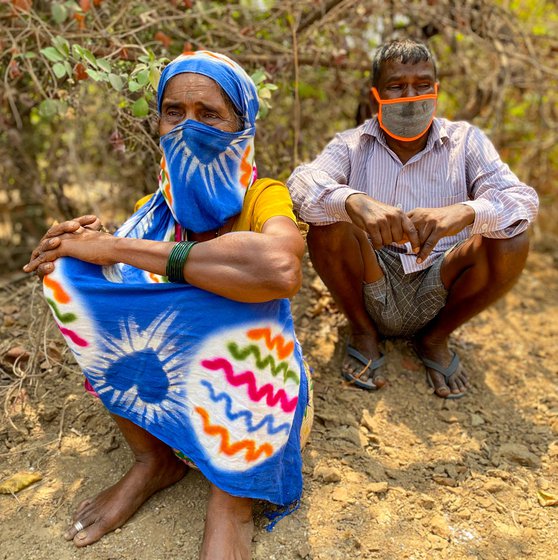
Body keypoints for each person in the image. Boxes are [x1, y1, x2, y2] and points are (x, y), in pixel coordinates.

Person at [24, 51, 313, 560]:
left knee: (238, 298)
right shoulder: (155, 211)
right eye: (174, 113)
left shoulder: (263, 196)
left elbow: (279, 269)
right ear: (157, 122)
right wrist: (84, 252)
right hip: (179, 394)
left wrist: (115, 248)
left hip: (261, 400)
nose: (188, 128)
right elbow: (120, 275)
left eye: (209, 114)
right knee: (74, 276)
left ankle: (233, 497)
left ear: (242, 126)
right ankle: (153, 460)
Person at [287, 38, 538, 399]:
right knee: (330, 221)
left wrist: (466, 212)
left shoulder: (466, 142)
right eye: (397, 86)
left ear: (436, 90)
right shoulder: (350, 145)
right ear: (377, 96)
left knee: (513, 238)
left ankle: (434, 338)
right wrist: (353, 201)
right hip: (371, 275)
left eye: (422, 85)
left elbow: (522, 200)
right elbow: (300, 183)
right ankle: (363, 332)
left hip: (442, 277)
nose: (411, 96)